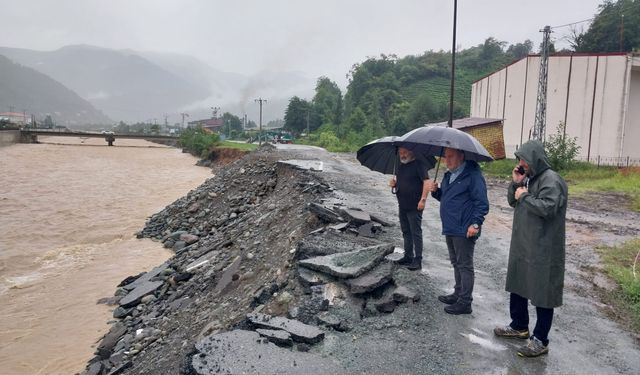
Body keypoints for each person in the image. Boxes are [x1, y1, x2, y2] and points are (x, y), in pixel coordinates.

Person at [493, 140, 568, 358]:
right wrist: (516, 183)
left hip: (544, 247)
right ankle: (519, 326)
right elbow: (511, 201)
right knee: (518, 282)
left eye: (524, 159)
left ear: (535, 158)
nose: (521, 163)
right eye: (519, 160)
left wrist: (524, 196)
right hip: (523, 244)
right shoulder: (529, 178)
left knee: (543, 291)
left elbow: (548, 208)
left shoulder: (551, 180)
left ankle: (540, 339)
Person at [426, 147, 489, 315]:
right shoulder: (448, 175)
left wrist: (475, 224)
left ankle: (465, 302)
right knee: (456, 263)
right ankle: (458, 293)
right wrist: (436, 192)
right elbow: (446, 197)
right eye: (446, 157)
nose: (447, 160)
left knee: (465, 265)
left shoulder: (473, 176)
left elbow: (482, 203)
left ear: (462, 155)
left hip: (465, 228)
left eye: (451, 156)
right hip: (451, 226)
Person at [389, 147, 430, 271]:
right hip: (403, 204)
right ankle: (408, 256)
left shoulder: (419, 164)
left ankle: (418, 260)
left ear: (411, 152)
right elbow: (401, 183)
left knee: (415, 232)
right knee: (406, 231)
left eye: (405, 152)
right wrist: (394, 184)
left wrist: (423, 199)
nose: (402, 155)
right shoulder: (400, 166)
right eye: (401, 153)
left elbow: (427, 182)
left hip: (415, 205)